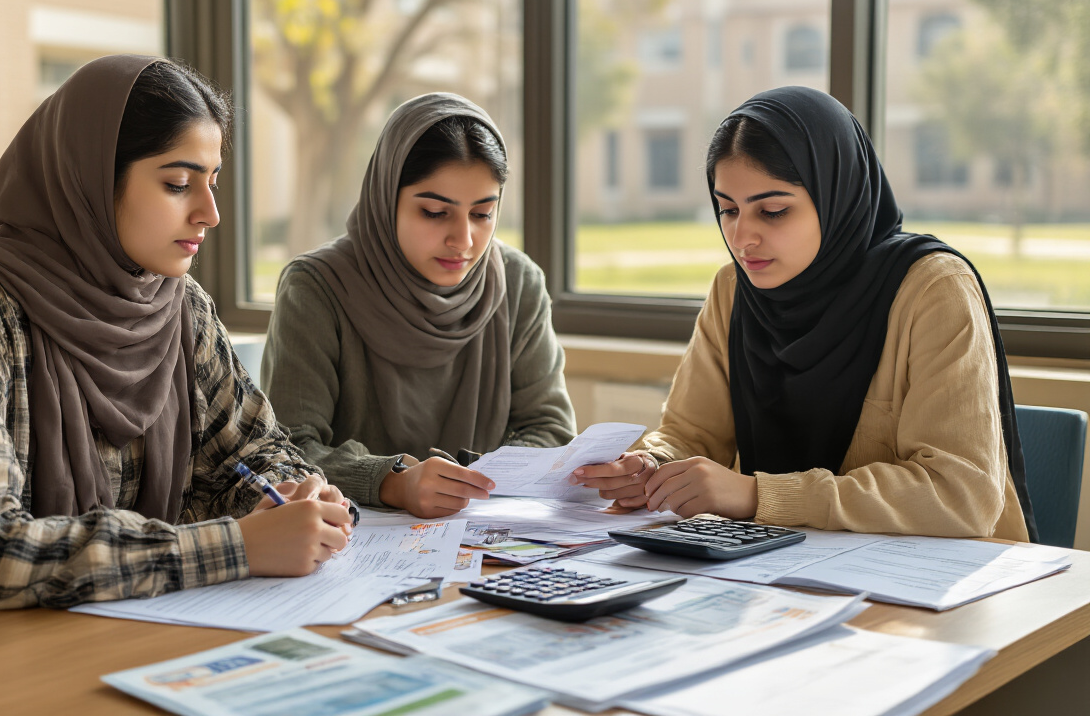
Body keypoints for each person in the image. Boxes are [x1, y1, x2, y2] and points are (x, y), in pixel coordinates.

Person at [0, 55, 351, 642]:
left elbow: (256, 452)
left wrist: (295, 501)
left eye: (212, 182)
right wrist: (236, 545)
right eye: (178, 184)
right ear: (94, 179)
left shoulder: (179, 306)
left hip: (93, 637)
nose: (211, 213)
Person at [573, 86, 1036, 541]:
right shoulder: (734, 289)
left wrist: (761, 496)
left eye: (772, 211)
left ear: (837, 196)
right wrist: (651, 466)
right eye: (727, 210)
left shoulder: (932, 290)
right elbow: (692, 435)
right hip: (785, 575)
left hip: (945, 585)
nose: (742, 237)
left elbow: (961, 495)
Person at [262, 93, 575, 519]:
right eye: (434, 212)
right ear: (386, 197)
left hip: (482, 532)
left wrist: (473, 480)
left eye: (483, 214)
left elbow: (551, 429)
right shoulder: (317, 287)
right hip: (350, 540)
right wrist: (391, 482)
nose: (463, 241)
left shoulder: (518, 283)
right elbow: (288, 447)